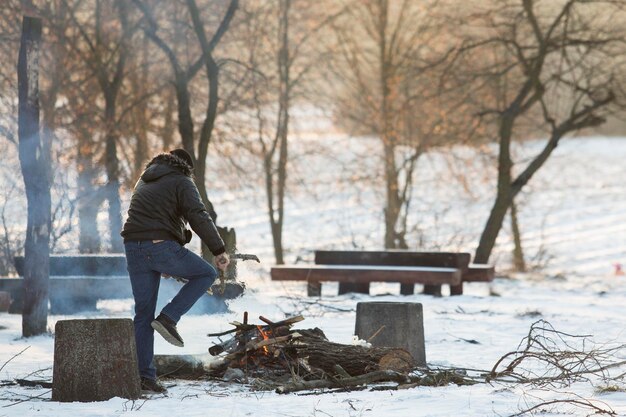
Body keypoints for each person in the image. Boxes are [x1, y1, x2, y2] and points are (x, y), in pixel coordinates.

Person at [121, 149, 229, 393]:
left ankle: (145, 379)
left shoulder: (145, 180)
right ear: (185, 167)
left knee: (143, 315)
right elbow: (197, 215)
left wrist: (164, 258)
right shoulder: (182, 179)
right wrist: (219, 250)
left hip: (132, 247)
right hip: (158, 246)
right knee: (206, 274)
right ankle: (169, 318)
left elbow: (151, 217)